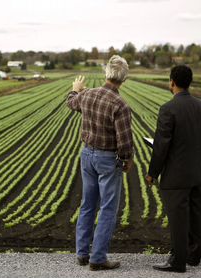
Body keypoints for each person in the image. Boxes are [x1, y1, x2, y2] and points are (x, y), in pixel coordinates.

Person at [67, 55, 134, 271]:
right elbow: (124, 141)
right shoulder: (120, 105)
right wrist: (127, 160)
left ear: (106, 74)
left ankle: (82, 253)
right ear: (124, 79)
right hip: (107, 159)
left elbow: (71, 103)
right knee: (107, 208)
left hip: (86, 155)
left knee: (88, 203)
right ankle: (98, 258)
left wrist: (76, 89)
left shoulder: (88, 95)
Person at [146, 65, 201, 273]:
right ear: (189, 82)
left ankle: (177, 261)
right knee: (197, 214)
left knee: (178, 218)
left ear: (172, 82)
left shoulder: (168, 109)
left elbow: (161, 146)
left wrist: (152, 172)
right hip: (198, 172)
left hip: (176, 176)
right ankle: (194, 255)